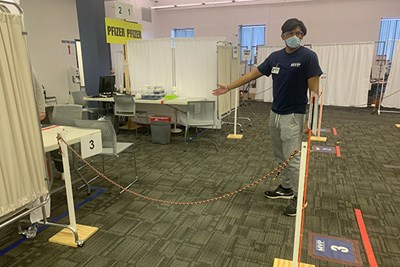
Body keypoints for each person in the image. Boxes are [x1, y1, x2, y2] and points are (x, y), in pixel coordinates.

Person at [213, 18, 322, 216]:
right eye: (292, 34)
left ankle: (300, 199)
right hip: (275, 114)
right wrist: (229, 87)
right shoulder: (275, 57)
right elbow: (253, 74)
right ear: (283, 36)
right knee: (280, 156)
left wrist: (311, 121)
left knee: (294, 159)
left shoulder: (308, 57)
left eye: (300, 34)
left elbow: (315, 92)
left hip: (294, 115)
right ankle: (286, 188)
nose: (296, 37)